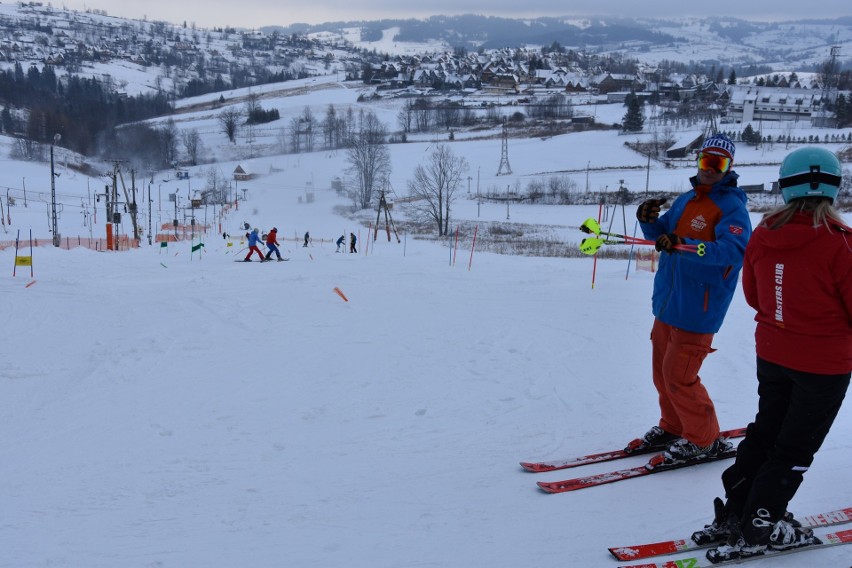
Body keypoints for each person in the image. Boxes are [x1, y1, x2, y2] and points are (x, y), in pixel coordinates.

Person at [701, 147, 851, 563]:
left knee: (766, 432)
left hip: (773, 353)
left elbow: (755, 295)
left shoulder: (765, 233)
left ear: (786, 187)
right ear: (833, 189)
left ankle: (736, 511)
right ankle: (762, 524)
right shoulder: (840, 245)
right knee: (794, 449)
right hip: (823, 367)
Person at [629, 133, 752, 464]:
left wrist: (682, 243)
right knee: (662, 374)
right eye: (706, 161)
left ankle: (703, 440)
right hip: (668, 303)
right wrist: (648, 219)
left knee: (679, 377)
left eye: (718, 163)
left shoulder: (731, 208)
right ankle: (674, 425)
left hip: (699, 309)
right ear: (698, 161)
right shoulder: (686, 200)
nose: (710, 169)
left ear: (728, 168)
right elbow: (661, 236)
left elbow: (733, 251)